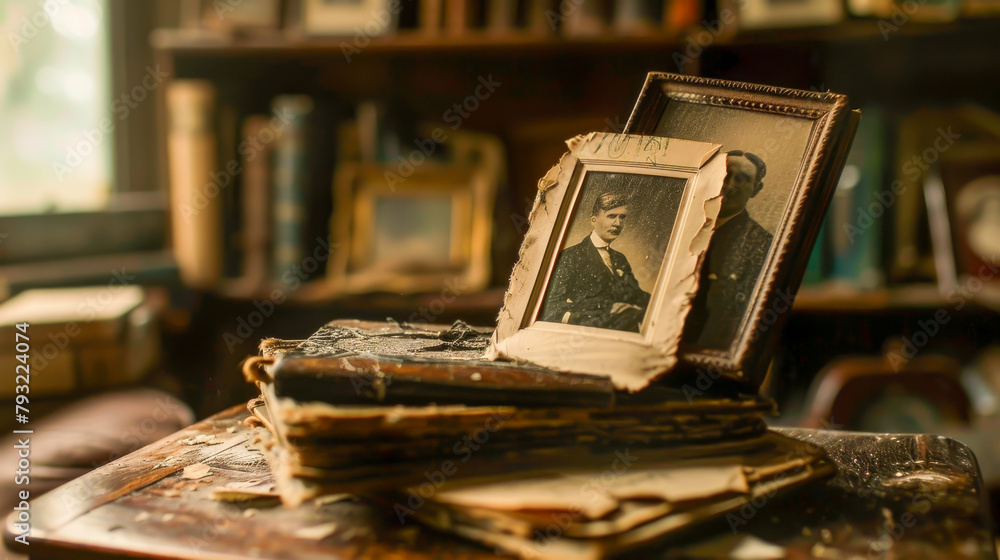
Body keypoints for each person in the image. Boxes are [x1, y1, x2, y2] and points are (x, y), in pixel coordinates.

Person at [684, 150, 774, 349]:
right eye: (725, 175)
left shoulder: (761, 244)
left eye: (741, 179)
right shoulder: (680, 224)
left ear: (756, 189)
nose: (730, 185)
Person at [539, 191, 650, 332]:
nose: (618, 223)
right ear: (593, 220)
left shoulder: (619, 258)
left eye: (622, 217)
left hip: (627, 330)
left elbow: (635, 294)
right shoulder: (570, 256)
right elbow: (552, 306)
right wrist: (601, 309)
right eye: (611, 216)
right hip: (591, 333)